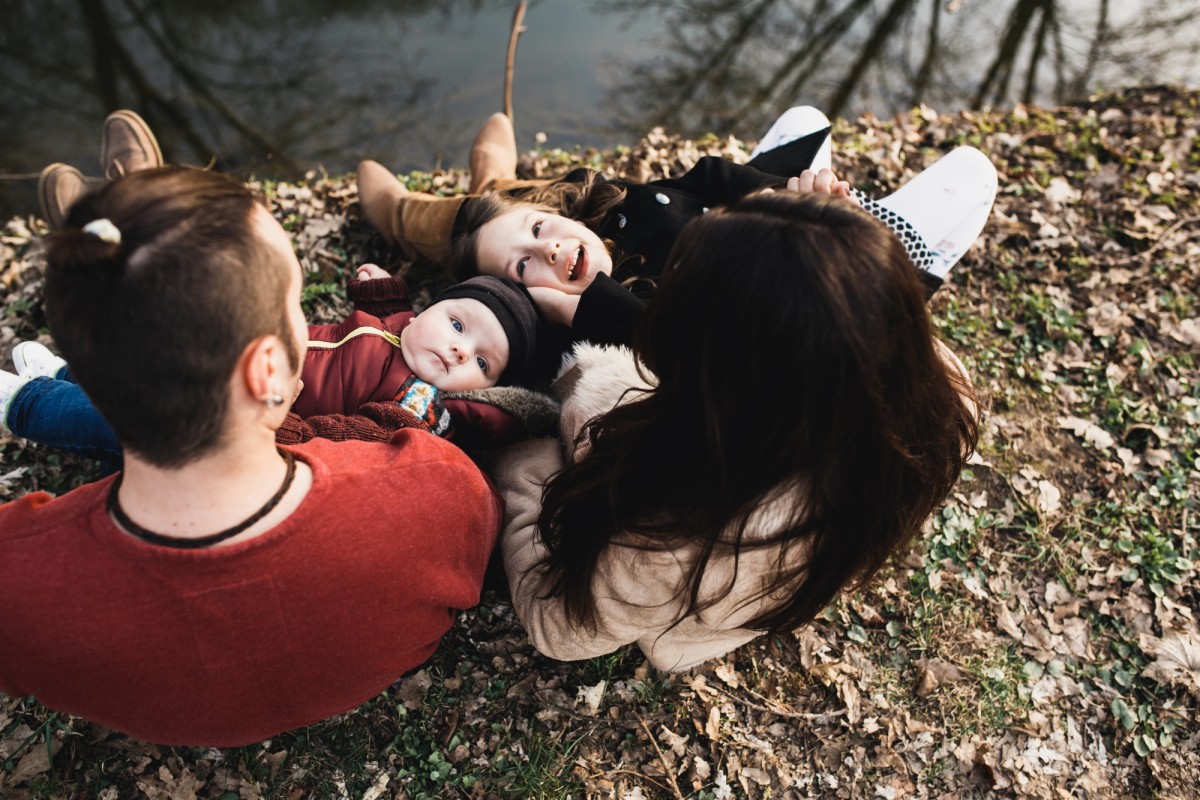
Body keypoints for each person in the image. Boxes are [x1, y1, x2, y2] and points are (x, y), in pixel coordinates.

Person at [0, 166, 503, 746]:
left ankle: (122, 252)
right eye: (294, 304)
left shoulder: (20, 585)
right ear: (268, 371)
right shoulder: (440, 486)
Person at [490, 191, 980, 672]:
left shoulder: (671, 539)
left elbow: (559, 628)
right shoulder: (946, 393)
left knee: (588, 396)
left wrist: (527, 463)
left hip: (694, 604)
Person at [358, 108, 998, 345]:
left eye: (544, 227)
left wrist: (782, 198)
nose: (548, 249)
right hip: (823, 272)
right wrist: (811, 223)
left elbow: (708, 178)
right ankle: (402, 211)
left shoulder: (605, 215)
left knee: (807, 119)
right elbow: (671, 344)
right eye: (523, 267)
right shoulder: (594, 325)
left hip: (779, 231)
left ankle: (494, 184)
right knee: (972, 169)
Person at [1, 268, 547, 462]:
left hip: (256, 419)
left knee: (141, 422)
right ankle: (62, 377)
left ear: (487, 388)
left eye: (481, 360)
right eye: (457, 324)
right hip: (243, 363)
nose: (458, 349)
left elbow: (361, 434)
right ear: (430, 308)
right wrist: (379, 284)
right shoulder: (401, 326)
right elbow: (384, 306)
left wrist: (288, 434)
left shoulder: (419, 403)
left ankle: (25, 404)